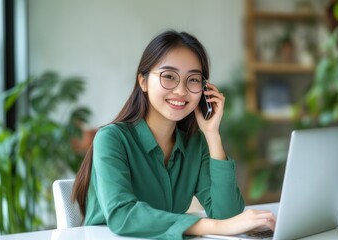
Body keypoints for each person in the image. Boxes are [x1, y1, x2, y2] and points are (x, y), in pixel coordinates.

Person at [72, 30, 275, 239]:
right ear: (143, 81)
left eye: (193, 80)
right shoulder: (112, 138)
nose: (181, 90)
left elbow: (228, 216)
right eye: (169, 76)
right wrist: (208, 226)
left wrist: (212, 134)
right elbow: (122, 215)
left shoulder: (195, 144)